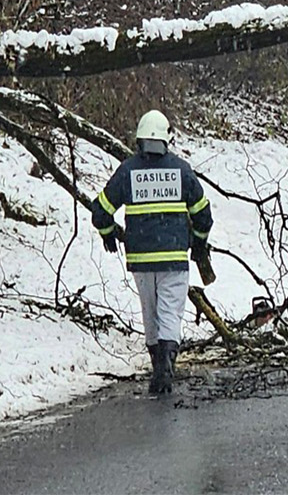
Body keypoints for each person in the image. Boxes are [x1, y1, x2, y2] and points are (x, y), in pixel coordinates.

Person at [93, 109, 212, 395]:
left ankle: (157, 363)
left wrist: (108, 233)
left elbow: (100, 210)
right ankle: (165, 366)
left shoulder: (128, 171)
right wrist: (198, 243)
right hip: (173, 258)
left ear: (139, 140)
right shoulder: (181, 171)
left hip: (141, 260)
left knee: (150, 313)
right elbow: (203, 215)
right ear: (167, 140)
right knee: (170, 312)